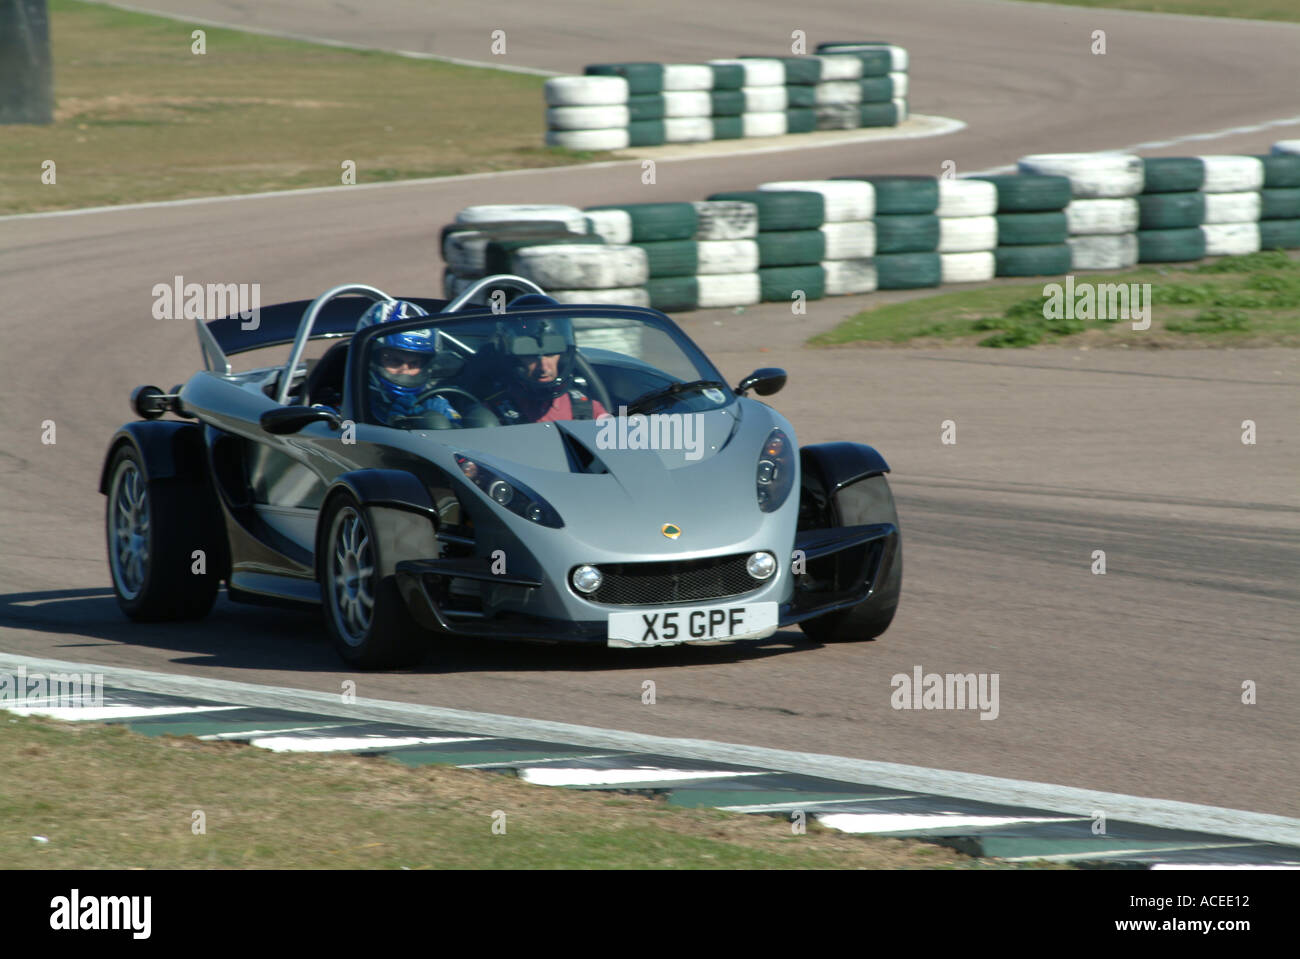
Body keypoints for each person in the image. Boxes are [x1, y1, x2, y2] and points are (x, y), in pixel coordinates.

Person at [483, 311, 609, 424]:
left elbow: (616, 443)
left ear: (563, 356)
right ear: (515, 359)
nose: (543, 367)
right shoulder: (492, 413)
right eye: (530, 356)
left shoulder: (587, 407)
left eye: (550, 354)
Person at [356, 299, 464, 428]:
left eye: (414, 363)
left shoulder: (434, 404)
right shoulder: (352, 403)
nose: (404, 371)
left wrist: (448, 423)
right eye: (394, 361)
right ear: (371, 359)